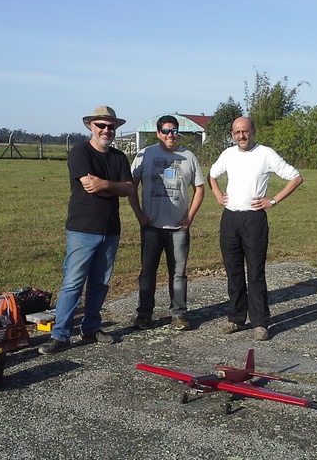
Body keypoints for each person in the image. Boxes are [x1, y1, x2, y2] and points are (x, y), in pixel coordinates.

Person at [38, 106, 134, 354]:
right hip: (82, 229)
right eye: (100, 125)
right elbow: (89, 185)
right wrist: (113, 186)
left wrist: (105, 183)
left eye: (110, 126)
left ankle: (91, 329)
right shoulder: (80, 152)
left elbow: (129, 189)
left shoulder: (119, 158)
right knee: (72, 283)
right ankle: (60, 335)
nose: (106, 130)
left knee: (100, 284)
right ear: (91, 127)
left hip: (110, 230)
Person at [207, 116, 302, 341]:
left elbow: (296, 178)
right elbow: (212, 175)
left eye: (245, 131)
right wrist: (219, 195)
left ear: (253, 131)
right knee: (233, 271)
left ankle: (260, 323)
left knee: (256, 272)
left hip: (255, 219)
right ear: (232, 134)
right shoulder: (227, 155)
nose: (241, 136)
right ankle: (236, 319)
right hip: (230, 218)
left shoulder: (265, 154)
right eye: (237, 132)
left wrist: (273, 200)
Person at [128, 115, 205, 331]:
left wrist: (189, 216)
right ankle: (144, 315)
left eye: (174, 130)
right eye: (165, 131)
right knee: (147, 272)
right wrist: (139, 215)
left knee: (178, 273)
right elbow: (130, 186)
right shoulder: (145, 154)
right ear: (158, 133)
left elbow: (200, 188)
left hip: (178, 228)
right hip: (151, 226)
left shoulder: (188, 156)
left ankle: (179, 314)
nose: (170, 135)